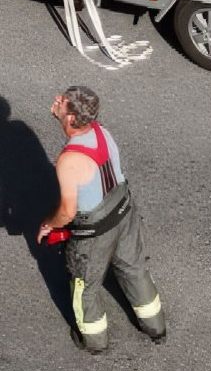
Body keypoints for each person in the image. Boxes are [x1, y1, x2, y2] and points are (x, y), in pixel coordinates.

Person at [37, 86, 166, 355]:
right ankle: (155, 326)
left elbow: (67, 213)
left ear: (71, 117)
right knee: (134, 269)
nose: (56, 100)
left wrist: (50, 223)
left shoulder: (69, 159)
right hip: (123, 212)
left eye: (62, 101)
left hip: (95, 233)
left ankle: (94, 340)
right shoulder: (100, 130)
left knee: (84, 286)